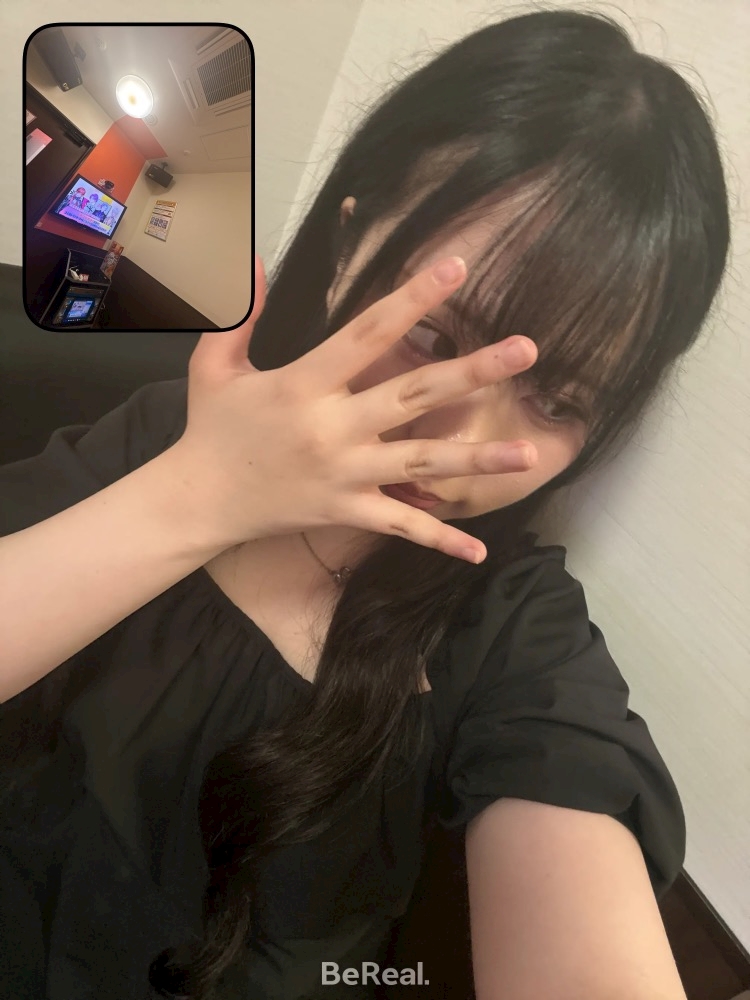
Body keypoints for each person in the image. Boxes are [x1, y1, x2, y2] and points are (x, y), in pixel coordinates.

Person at [0, 9, 730, 1000]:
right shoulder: (164, 433)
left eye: (558, 401)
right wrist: (200, 496)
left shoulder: (510, 628)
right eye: (436, 338)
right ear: (351, 241)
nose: (462, 441)